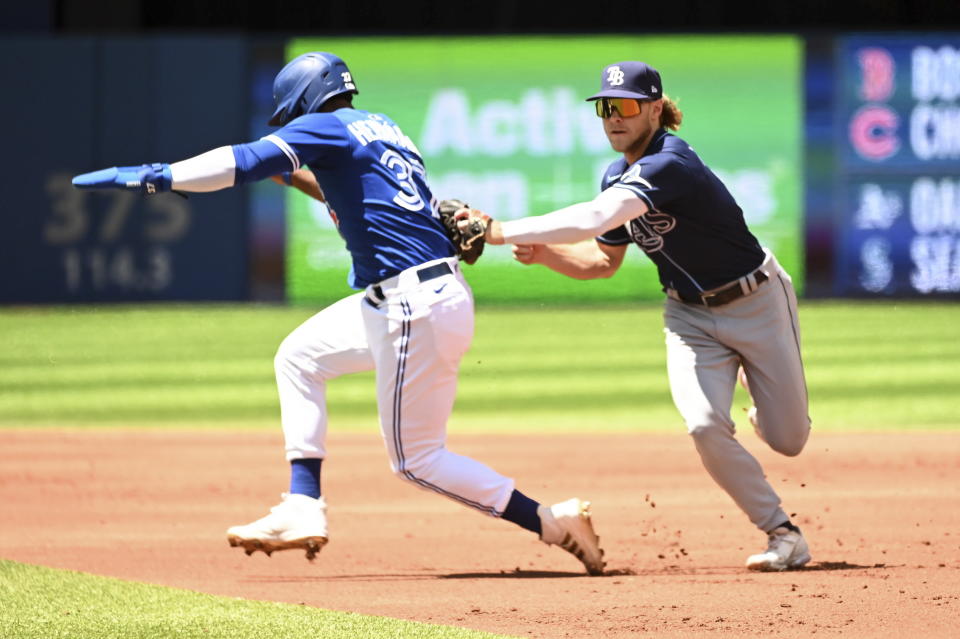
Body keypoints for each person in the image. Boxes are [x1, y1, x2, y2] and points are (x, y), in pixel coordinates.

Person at [72, 51, 605, 575]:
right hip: (416, 296)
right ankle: (303, 502)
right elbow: (334, 186)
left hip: (410, 305)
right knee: (299, 358)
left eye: (293, 116)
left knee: (417, 460)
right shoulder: (379, 126)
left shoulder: (324, 126)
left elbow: (244, 160)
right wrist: (288, 174)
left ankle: (551, 522)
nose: (294, 127)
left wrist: (160, 176)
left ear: (307, 100)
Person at [477, 61, 812, 572]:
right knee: (702, 425)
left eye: (627, 106)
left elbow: (596, 218)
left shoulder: (671, 161)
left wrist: (501, 231)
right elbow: (602, 261)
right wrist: (545, 255)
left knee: (789, 441)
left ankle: (763, 407)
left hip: (757, 301)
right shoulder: (617, 174)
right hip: (689, 317)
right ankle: (783, 534)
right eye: (607, 107)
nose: (614, 117)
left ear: (655, 109)